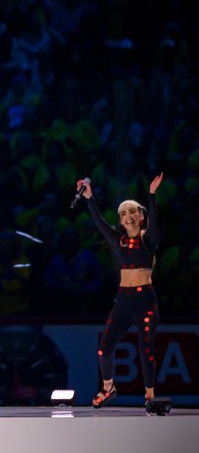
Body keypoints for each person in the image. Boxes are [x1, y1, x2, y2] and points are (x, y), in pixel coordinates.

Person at [79, 174, 164, 409]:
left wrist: (152, 195)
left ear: (141, 217)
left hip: (145, 300)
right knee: (103, 350)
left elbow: (154, 224)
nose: (127, 216)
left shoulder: (149, 240)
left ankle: (149, 396)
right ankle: (108, 388)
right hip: (124, 301)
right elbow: (100, 223)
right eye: (123, 213)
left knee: (146, 350)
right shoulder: (119, 241)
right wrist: (90, 199)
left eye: (132, 211)